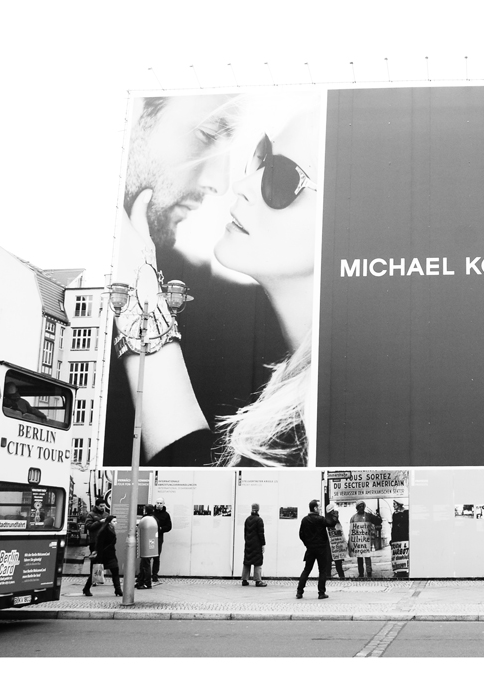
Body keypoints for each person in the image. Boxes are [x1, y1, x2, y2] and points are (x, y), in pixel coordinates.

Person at [108, 94, 321, 469]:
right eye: (263, 157)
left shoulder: (331, 412)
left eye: (282, 177)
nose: (237, 184)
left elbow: (206, 495)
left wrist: (142, 302)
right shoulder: (290, 383)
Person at [297, 499, 334, 598]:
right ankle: (321, 593)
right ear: (315, 508)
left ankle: (299, 592)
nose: (320, 508)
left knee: (307, 570)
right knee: (322, 571)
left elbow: (301, 535)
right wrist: (333, 513)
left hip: (310, 549)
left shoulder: (305, 520)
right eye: (319, 507)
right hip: (321, 549)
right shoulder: (320, 519)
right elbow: (332, 523)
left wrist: (307, 544)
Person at [82, 500, 109, 596]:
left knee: (102, 562)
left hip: (104, 542)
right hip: (94, 542)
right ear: (96, 506)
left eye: (104, 506)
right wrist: (99, 522)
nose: (103, 507)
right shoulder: (91, 514)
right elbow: (88, 526)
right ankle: (90, 584)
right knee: (95, 563)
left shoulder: (106, 514)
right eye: (101, 506)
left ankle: (96, 579)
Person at [349, 502, 382, 578]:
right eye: (360, 506)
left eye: (362, 506)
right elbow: (351, 531)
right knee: (359, 558)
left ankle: (369, 572)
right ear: (357, 508)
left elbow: (378, 521)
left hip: (366, 540)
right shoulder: (353, 518)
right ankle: (361, 573)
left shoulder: (368, 516)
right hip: (358, 542)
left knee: (367, 557)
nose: (361, 508)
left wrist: (377, 516)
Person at [94, 515, 123, 597]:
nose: (116, 523)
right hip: (104, 555)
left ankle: (118, 590)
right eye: (114, 521)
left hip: (111, 555)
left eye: (116, 521)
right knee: (97, 572)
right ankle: (86, 588)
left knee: (115, 571)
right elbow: (99, 544)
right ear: (109, 523)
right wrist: (99, 556)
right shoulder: (104, 531)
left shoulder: (111, 529)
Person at [241, 503, 267, 587]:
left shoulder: (247, 519)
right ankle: (258, 580)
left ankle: (244, 580)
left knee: (247, 561)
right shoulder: (259, 520)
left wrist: (247, 541)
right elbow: (261, 533)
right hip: (256, 544)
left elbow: (245, 533)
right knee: (257, 561)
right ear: (258, 509)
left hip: (248, 543)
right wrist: (263, 544)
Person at [151, 497, 172, 582]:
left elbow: (169, 527)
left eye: (160, 503)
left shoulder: (166, 515)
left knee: (156, 556)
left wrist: (161, 528)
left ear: (163, 504)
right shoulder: (151, 513)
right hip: (149, 536)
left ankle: (155, 575)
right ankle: (145, 574)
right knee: (146, 557)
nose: (159, 505)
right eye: (157, 503)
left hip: (159, 537)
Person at [390, 501, 410, 578]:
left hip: (404, 536)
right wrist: (392, 538)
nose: (393, 506)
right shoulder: (394, 514)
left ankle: (405, 569)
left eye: (394, 504)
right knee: (397, 553)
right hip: (397, 537)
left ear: (399, 504)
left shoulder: (406, 512)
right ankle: (398, 570)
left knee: (405, 553)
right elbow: (394, 526)